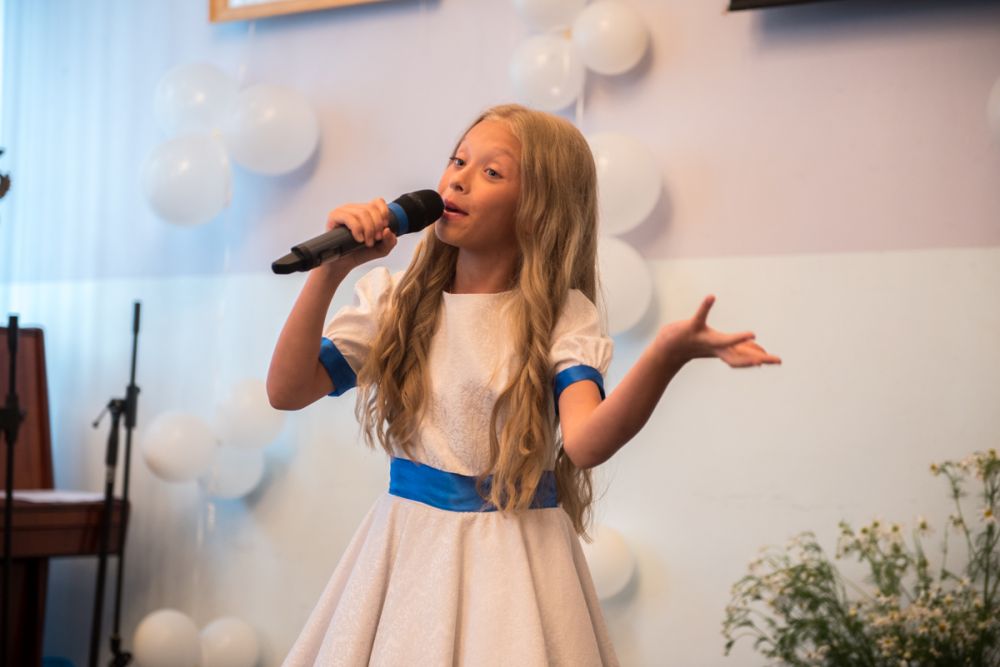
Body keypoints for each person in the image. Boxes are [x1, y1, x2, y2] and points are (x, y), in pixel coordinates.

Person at [267, 103, 781, 666]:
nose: (458, 180)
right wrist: (332, 270)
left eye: (492, 172)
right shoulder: (397, 299)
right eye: (458, 161)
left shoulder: (562, 317)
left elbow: (585, 444)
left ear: (538, 210)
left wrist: (665, 356)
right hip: (408, 550)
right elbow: (287, 390)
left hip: (515, 562)